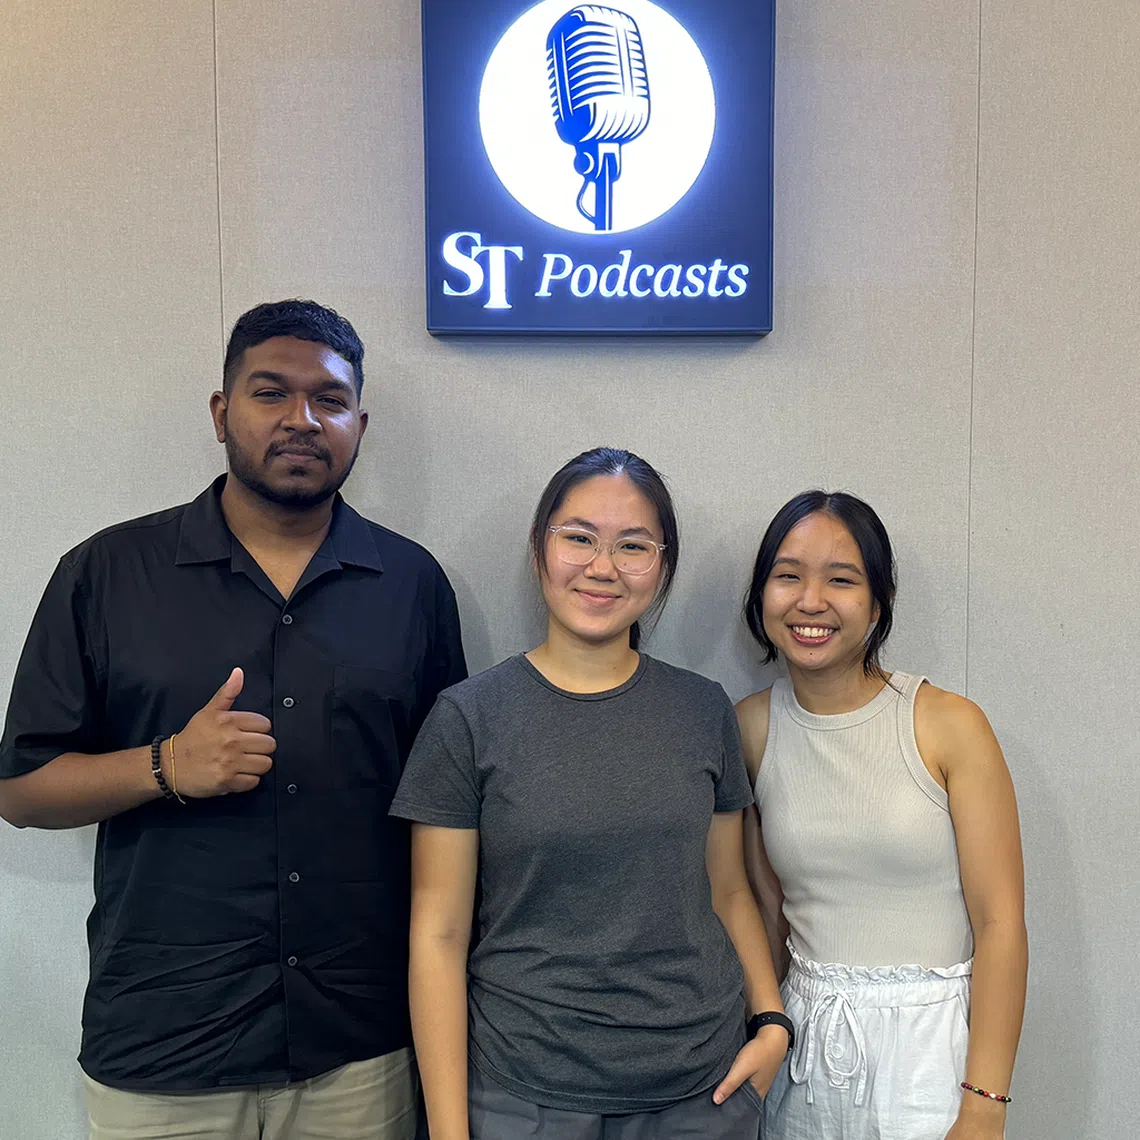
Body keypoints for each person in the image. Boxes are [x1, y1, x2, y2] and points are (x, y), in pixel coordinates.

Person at [0, 299, 466, 1140]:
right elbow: (22, 788)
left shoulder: (411, 585)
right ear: (221, 414)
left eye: (328, 400)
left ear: (360, 422)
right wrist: (162, 766)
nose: (301, 419)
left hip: (357, 1049)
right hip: (165, 1051)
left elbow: (446, 808)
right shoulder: (106, 573)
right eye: (270, 394)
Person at [389, 446, 791, 1140]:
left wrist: (772, 1021)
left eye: (632, 545)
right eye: (578, 538)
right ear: (540, 550)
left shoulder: (702, 710)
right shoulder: (469, 718)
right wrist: (450, 1131)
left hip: (703, 1090)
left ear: (661, 566)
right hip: (523, 1095)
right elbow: (438, 934)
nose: (602, 567)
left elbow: (728, 890)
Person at [736, 491, 1027, 1140]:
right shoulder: (750, 728)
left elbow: (1000, 923)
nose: (810, 600)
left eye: (841, 579)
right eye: (787, 576)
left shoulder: (948, 724)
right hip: (804, 1042)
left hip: (929, 1050)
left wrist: (984, 1104)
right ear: (761, 596)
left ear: (878, 601)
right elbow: (762, 906)